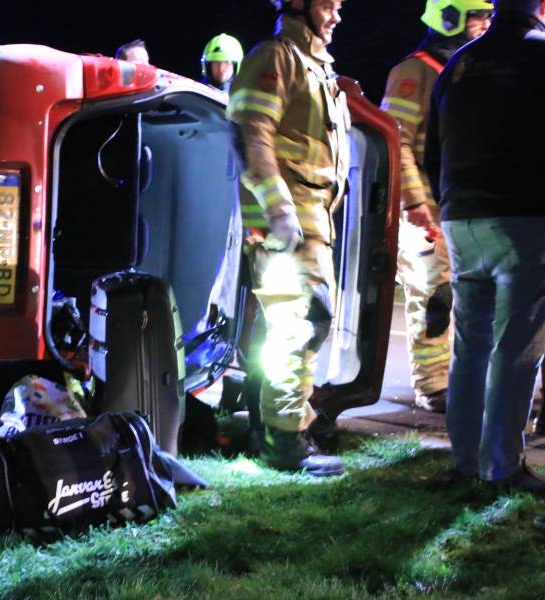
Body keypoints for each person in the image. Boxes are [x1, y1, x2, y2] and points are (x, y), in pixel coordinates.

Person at [425, 0, 545, 492]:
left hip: (461, 214)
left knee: (470, 346)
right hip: (523, 216)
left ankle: (465, 462)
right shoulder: (540, 55)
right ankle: (502, 466)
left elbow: (433, 147)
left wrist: (450, 202)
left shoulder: (460, 62)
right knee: (515, 349)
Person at [227, 0, 349, 476]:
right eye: (327, 5)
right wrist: (279, 210)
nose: (336, 16)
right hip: (292, 217)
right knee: (299, 324)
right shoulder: (277, 57)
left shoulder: (314, 64)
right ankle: (285, 440)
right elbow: (250, 133)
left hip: (312, 215)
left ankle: (277, 426)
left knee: (292, 324)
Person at [380, 0, 492, 414]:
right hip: (426, 211)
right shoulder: (414, 72)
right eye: (477, 16)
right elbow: (399, 143)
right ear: (449, 17)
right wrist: (416, 202)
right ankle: (431, 386)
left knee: (473, 302)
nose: (485, 24)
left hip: (464, 207)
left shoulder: (472, 69)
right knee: (433, 300)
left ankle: (463, 382)